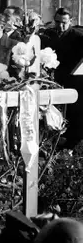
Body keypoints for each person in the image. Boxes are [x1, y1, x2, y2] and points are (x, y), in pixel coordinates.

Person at [41, 8, 83, 148]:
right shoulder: (49, 34)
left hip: (73, 81)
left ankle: (70, 144)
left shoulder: (78, 35)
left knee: (73, 112)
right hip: (53, 79)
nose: (61, 26)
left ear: (71, 21)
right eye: (58, 22)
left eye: (64, 22)